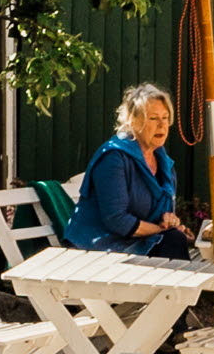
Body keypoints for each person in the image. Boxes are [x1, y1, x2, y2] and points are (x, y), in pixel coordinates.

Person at [77, 85, 194, 258]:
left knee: (176, 240)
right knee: (173, 241)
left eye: (165, 118)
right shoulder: (114, 158)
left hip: (140, 243)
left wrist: (170, 221)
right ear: (132, 121)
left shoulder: (163, 161)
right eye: (153, 118)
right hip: (101, 247)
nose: (162, 125)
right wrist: (162, 229)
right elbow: (117, 220)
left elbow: (161, 214)